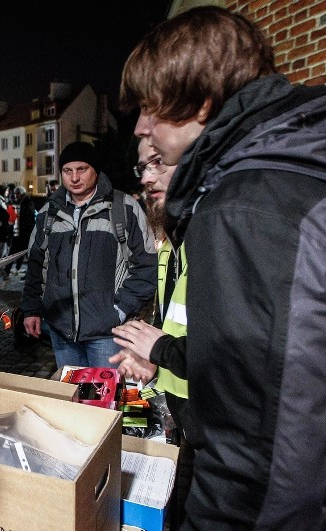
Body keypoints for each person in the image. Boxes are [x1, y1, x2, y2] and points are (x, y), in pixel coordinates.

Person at [119, 6, 326, 528]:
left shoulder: (250, 206)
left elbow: (262, 452)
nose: (141, 126)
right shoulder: (315, 168)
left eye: (152, 107)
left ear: (202, 103)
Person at [109, 141, 193, 528]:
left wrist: (156, 349)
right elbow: (175, 321)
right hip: (178, 395)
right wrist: (150, 359)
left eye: (158, 163)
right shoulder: (167, 245)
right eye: (142, 167)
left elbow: (232, 351)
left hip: (208, 406)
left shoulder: (210, 243)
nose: (145, 179)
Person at [20, 141, 157, 369]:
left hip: (107, 333)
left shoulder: (123, 208)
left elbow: (148, 264)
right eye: (67, 171)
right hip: (61, 330)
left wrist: (120, 310)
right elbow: (36, 264)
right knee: (74, 398)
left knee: (105, 399)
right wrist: (32, 309)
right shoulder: (49, 213)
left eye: (81, 169)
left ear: (96, 170)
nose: (74, 178)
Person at [4, 185, 35, 276]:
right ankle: (8, 270)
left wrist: (17, 209)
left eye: (17, 194)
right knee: (15, 252)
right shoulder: (19, 202)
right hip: (18, 231)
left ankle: (26, 273)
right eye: (15, 194)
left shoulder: (28, 202)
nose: (15, 196)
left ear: (21, 193)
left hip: (25, 232)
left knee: (23, 252)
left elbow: (27, 214)